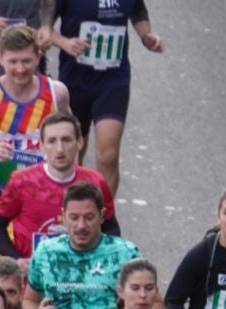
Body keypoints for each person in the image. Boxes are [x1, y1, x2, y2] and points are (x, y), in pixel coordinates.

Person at [49, 0, 163, 196]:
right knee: (73, 153)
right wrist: (64, 43)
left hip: (112, 82)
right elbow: (42, 27)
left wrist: (146, 36)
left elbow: (137, 9)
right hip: (74, 82)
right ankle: (72, 212)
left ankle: (104, 217)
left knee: (108, 155)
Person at [0, 25, 68, 218]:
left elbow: (71, 144)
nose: (20, 69)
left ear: (38, 57)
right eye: (13, 62)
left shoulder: (56, 93)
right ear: (0, 58)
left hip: (43, 199)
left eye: (26, 61)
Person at [22, 182, 139, 309]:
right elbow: (29, 300)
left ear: (102, 215)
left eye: (89, 217)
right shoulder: (46, 251)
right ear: (62, 216)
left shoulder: (126, 254)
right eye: (74, 217)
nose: (81, 225)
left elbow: (153, 303)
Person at [0, 110, 117, 258]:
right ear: (42, 146)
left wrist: (100, 259)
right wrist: (17, 261)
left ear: (79, 143)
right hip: (34, 276)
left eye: (66, 140)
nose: (60, 149)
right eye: (52, 141)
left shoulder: (96, 181)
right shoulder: (21, 181)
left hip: (81, 275)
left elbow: (111, 228)